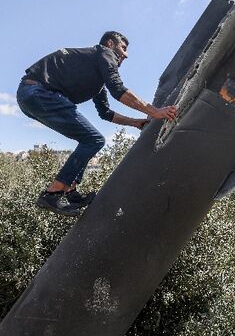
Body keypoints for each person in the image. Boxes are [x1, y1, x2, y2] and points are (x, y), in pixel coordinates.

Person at [17, 31, 177, 216]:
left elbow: (105, 113)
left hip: (30, 97)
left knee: (89, 139)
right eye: (123, 49)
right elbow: (118, 89)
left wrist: (135, 123)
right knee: (94, 140)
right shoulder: (104, 53)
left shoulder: (96, 76)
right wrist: (155, 111)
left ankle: (70, 191)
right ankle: (53, 193)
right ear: (110, 44)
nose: (125, 55)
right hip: (38, 92)